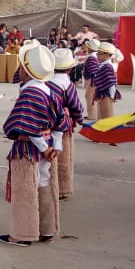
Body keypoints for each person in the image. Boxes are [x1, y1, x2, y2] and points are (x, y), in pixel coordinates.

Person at [0, 45, 65, 247]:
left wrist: (44, 147)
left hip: (29, 149)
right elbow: (60, 123)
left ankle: (23, 233)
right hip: (48, 146)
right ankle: (47, 229)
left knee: (25, 189)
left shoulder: (29, 94)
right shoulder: (50, 91)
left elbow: (29, 127)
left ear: (26, 71)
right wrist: (55, 146)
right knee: (44, 184)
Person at [48, 48, 84, 200]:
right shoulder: (68, 85)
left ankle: (48, 187)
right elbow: (76, 106)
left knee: (49, 157)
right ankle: (63, 188)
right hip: (64, 125)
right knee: (64, 156)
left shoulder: (47, 83)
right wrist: (79, 119)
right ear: (69, 69)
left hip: (48, 125)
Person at [93, 41, 121, 120]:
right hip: (101, 93)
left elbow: (111, 83)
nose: (97, 56)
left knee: (106, 115)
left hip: (107, 94)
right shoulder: (102, 65)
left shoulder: (107, 67)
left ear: (107, 55)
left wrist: (112, 96)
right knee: (101, 113)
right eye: (97, 53)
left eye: (99, 54)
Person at [81, 39, 100, 118]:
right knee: (91, 97)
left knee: (90, 97)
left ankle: (92, 116)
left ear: (90, 48)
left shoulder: (91, 57)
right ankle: (93, 114)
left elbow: (93, 71)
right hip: (93, 79)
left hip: (91, 80)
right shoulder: (96, 56)